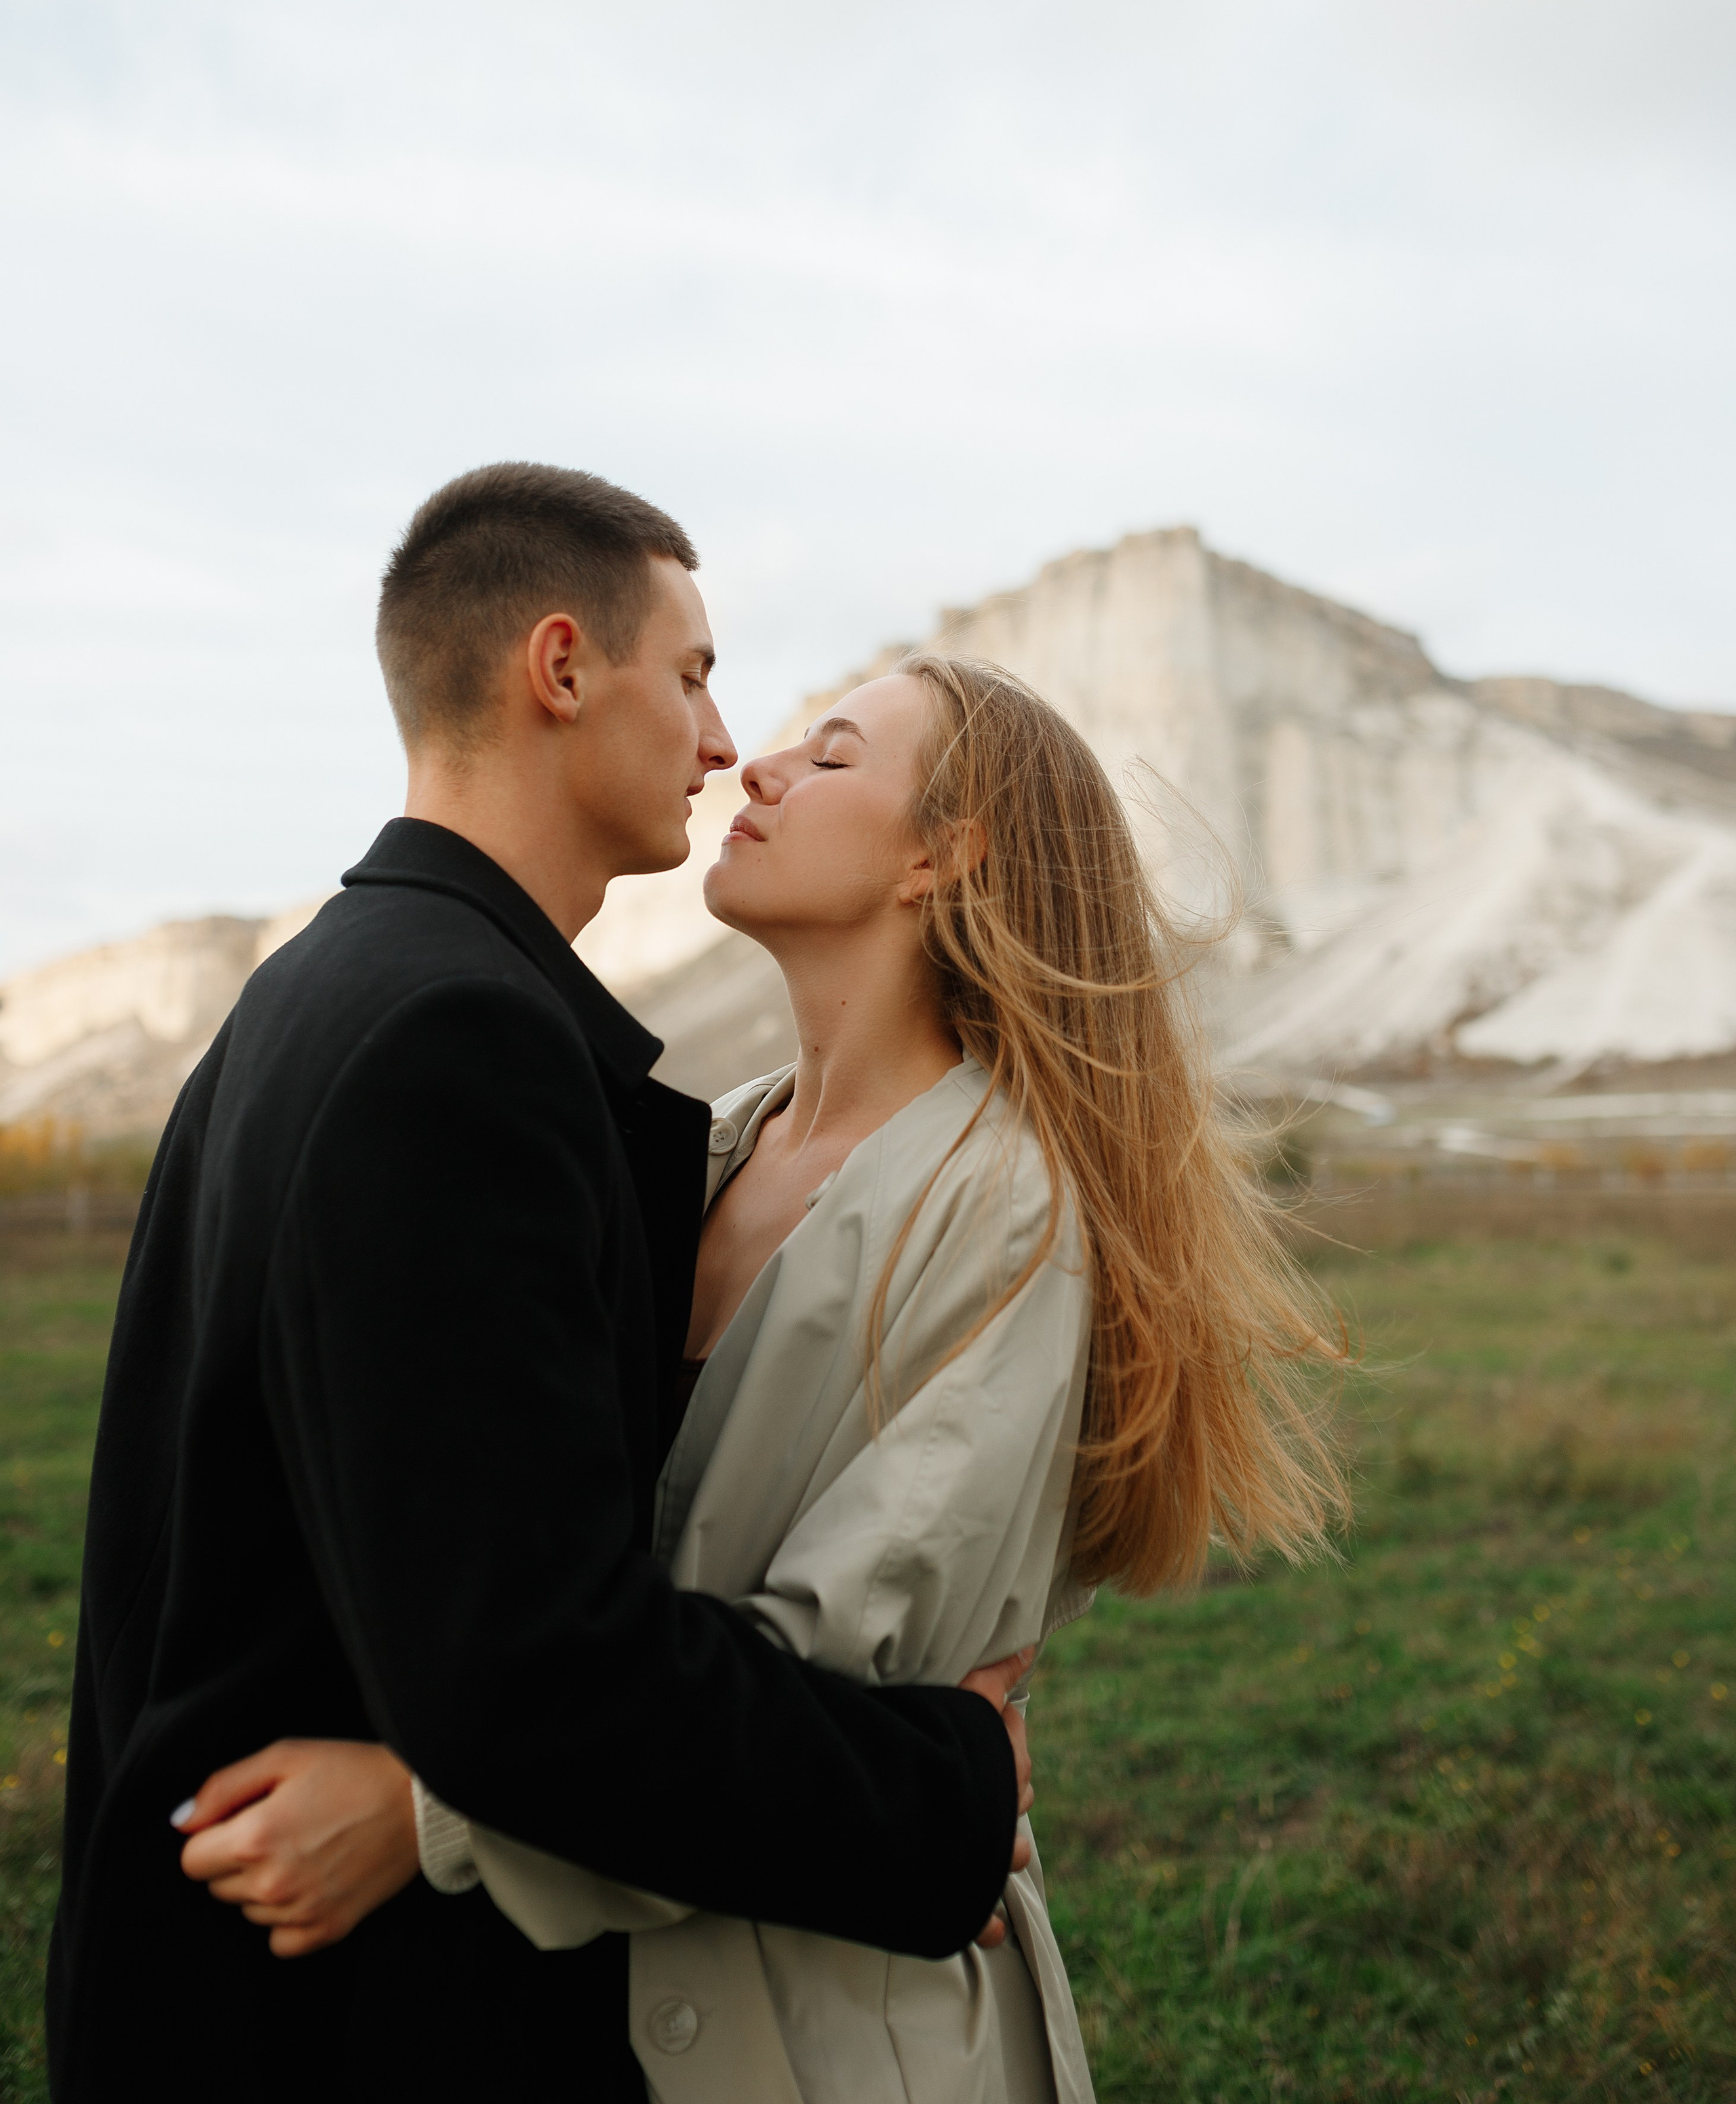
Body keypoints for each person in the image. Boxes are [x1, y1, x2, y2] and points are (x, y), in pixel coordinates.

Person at [175, 649, 1349, 2101]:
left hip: (842, 2030)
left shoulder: (1005, 1207)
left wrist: (425, 1816)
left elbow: (838, 1682)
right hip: (613, 2004)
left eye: (833, 754)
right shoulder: (712, 1145)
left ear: (943, 854)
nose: (755, 766)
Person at [48, 467, 1037, 2104]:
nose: (724, 746)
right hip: (336, 2025)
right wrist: (940, 1790)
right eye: (695, 673)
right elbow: (539, 1678)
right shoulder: (462, 1041)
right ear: (562, 669)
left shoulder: (315, 991)